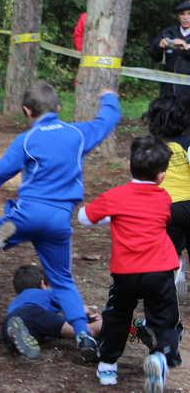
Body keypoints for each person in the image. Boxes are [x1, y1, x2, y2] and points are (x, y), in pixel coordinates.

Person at [0, 81, 121, 363]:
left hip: (29, 212)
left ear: (27, 111)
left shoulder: (26, 140)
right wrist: (110, 98)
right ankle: (83, 334)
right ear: (58, 108)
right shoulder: (78, 133)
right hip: (60, 220)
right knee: (62, 280)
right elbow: (107, 120)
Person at [78, 136, 182, 389]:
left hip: (127, 272)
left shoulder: (115, 196)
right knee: (164, 317)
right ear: (161, 176)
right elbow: (162, 220)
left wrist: (111, 217)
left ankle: (108, 366)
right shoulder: (163, 197)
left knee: (117, 316)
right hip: (161, 269)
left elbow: (84, 217)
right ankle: (161, 357)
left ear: (128, 166)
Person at [143, 93, 190, 300]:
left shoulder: (151, 146)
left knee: (169, 249)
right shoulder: (188, 143)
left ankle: (175, 271)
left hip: (165, 207)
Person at [2, 265, 102, 360]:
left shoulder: (13, 303)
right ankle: (111, 324)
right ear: (42, 284)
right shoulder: (45, 293)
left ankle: (13, 334)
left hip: (12, 317)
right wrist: (88, 319)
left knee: (20, 330)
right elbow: (81, 309)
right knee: (88, 329)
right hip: (37, 313)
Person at [147, 1, 190, 99]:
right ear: (178, 16)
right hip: (169, 90)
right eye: (182, 14)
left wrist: (187, 48)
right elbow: (153, 56)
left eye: (189, 13)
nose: (185, 17)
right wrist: (159, 45)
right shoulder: (168, 33)